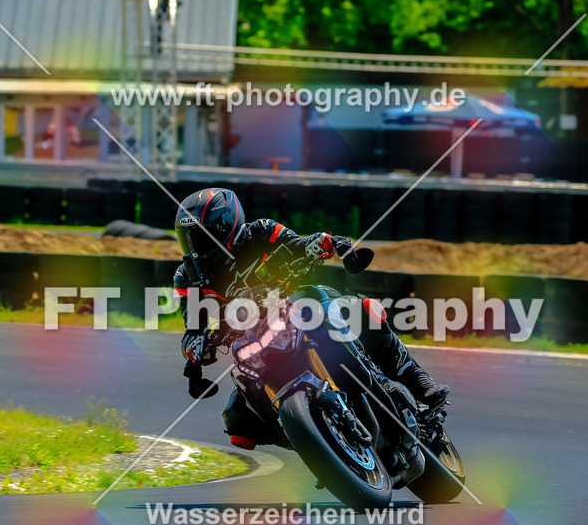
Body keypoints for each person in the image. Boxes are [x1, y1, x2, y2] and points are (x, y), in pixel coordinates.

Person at [172, 187, 449, 450]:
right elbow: (192, 327)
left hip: (295, 308)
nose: (195, 247)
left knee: (361, 308)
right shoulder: (188, 277)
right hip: (251, 340)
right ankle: (315, 442)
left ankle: (415, 377)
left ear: (225, 226)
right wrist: (196, 348)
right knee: (238, 423)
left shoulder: (261, 231)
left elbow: (298, 243)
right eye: (189, 238)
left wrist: (327, 243)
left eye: (201, 236)